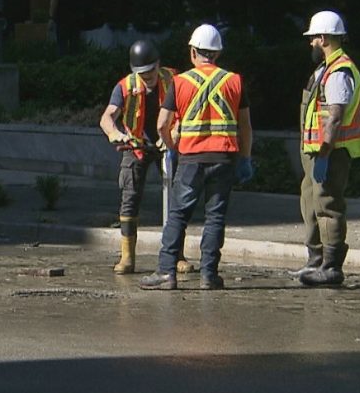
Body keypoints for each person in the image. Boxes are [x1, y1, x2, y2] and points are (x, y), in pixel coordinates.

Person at [139, 24, 253, 291]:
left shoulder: (180, 82)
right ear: (218, 53)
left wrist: (171, 147)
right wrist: (245, 158)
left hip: (191, 159)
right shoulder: (234, 81)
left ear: (193, 51)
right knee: (215, 217)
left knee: (178, 215)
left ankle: (167, 273)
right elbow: (245, 125)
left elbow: (161, 124)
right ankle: (209, 275)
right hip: (224, 158)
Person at [99, 40, 193, 275]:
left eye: (150, 71)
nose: (146, 77)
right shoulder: (125, 86)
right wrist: (114, 133)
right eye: (141, 73)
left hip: (168, 144)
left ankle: (177, 255)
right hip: (136, 144)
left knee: (176, 199)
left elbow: (186, 110)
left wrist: (174, 133)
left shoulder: (174, 79)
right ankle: (127, 257)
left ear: (158, 64)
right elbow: (107, 116)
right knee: (129, 197)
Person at [293, 11, 360, 286]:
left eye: (312, 39)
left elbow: (334, 116)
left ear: (322, 38)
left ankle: (332, 267)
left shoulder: (339, 71)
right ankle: (315, 261)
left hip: (331, 152)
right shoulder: (325, 69)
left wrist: (323, 153)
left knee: (328, 206)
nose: (310, 43)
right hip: (317, 150)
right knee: (310, 203)